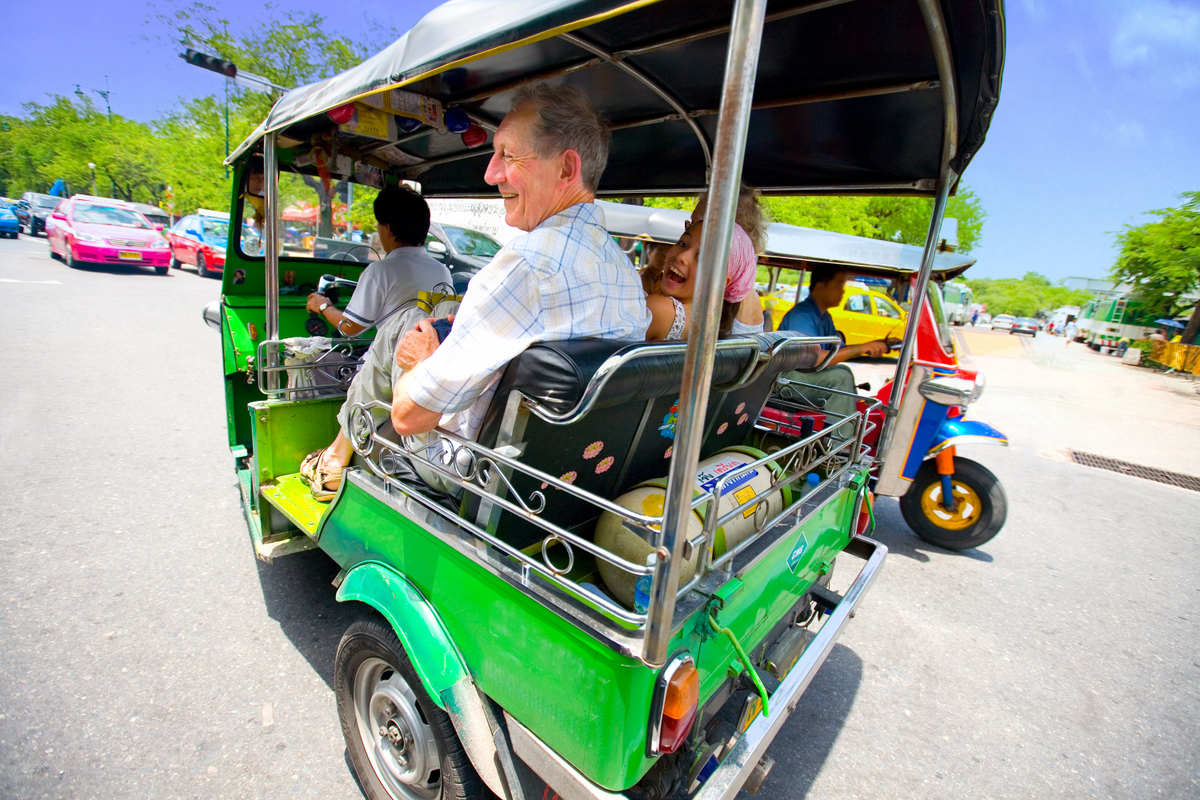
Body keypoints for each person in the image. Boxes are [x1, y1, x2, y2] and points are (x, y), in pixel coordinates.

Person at [302, 82, 651, 500]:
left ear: (565, 168)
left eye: (508, 155)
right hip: (566, 470)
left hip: (471, 471)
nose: (490, 173)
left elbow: (410, 417)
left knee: (401, 326)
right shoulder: (626, 273)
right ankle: (339, 453)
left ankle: (335, 458)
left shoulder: (525, 263)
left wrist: (417, 363)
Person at [304, 187, 450, 336]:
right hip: (429, 353)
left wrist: (323, 305)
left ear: (386, 228)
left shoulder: (380, 271)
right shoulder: (442, 271)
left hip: (391, 357)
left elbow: (349, 328)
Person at [775, 266, 897, 420]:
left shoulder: (824, 317)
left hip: (802, 375)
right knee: (840, 378)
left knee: (843, 370)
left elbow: (837, 352)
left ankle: (851, 422)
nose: (842, 292)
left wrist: (874, 344)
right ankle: (841, 440)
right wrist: (861, 348)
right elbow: (812, 358)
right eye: (838, 286)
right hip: (785, 378)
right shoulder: (802, 315)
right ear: (820, 287)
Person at [645, 218, 756, 340]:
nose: (681, 256)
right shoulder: (709, 328)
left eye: (701, 256)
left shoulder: (659, 310)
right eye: (683, 244)